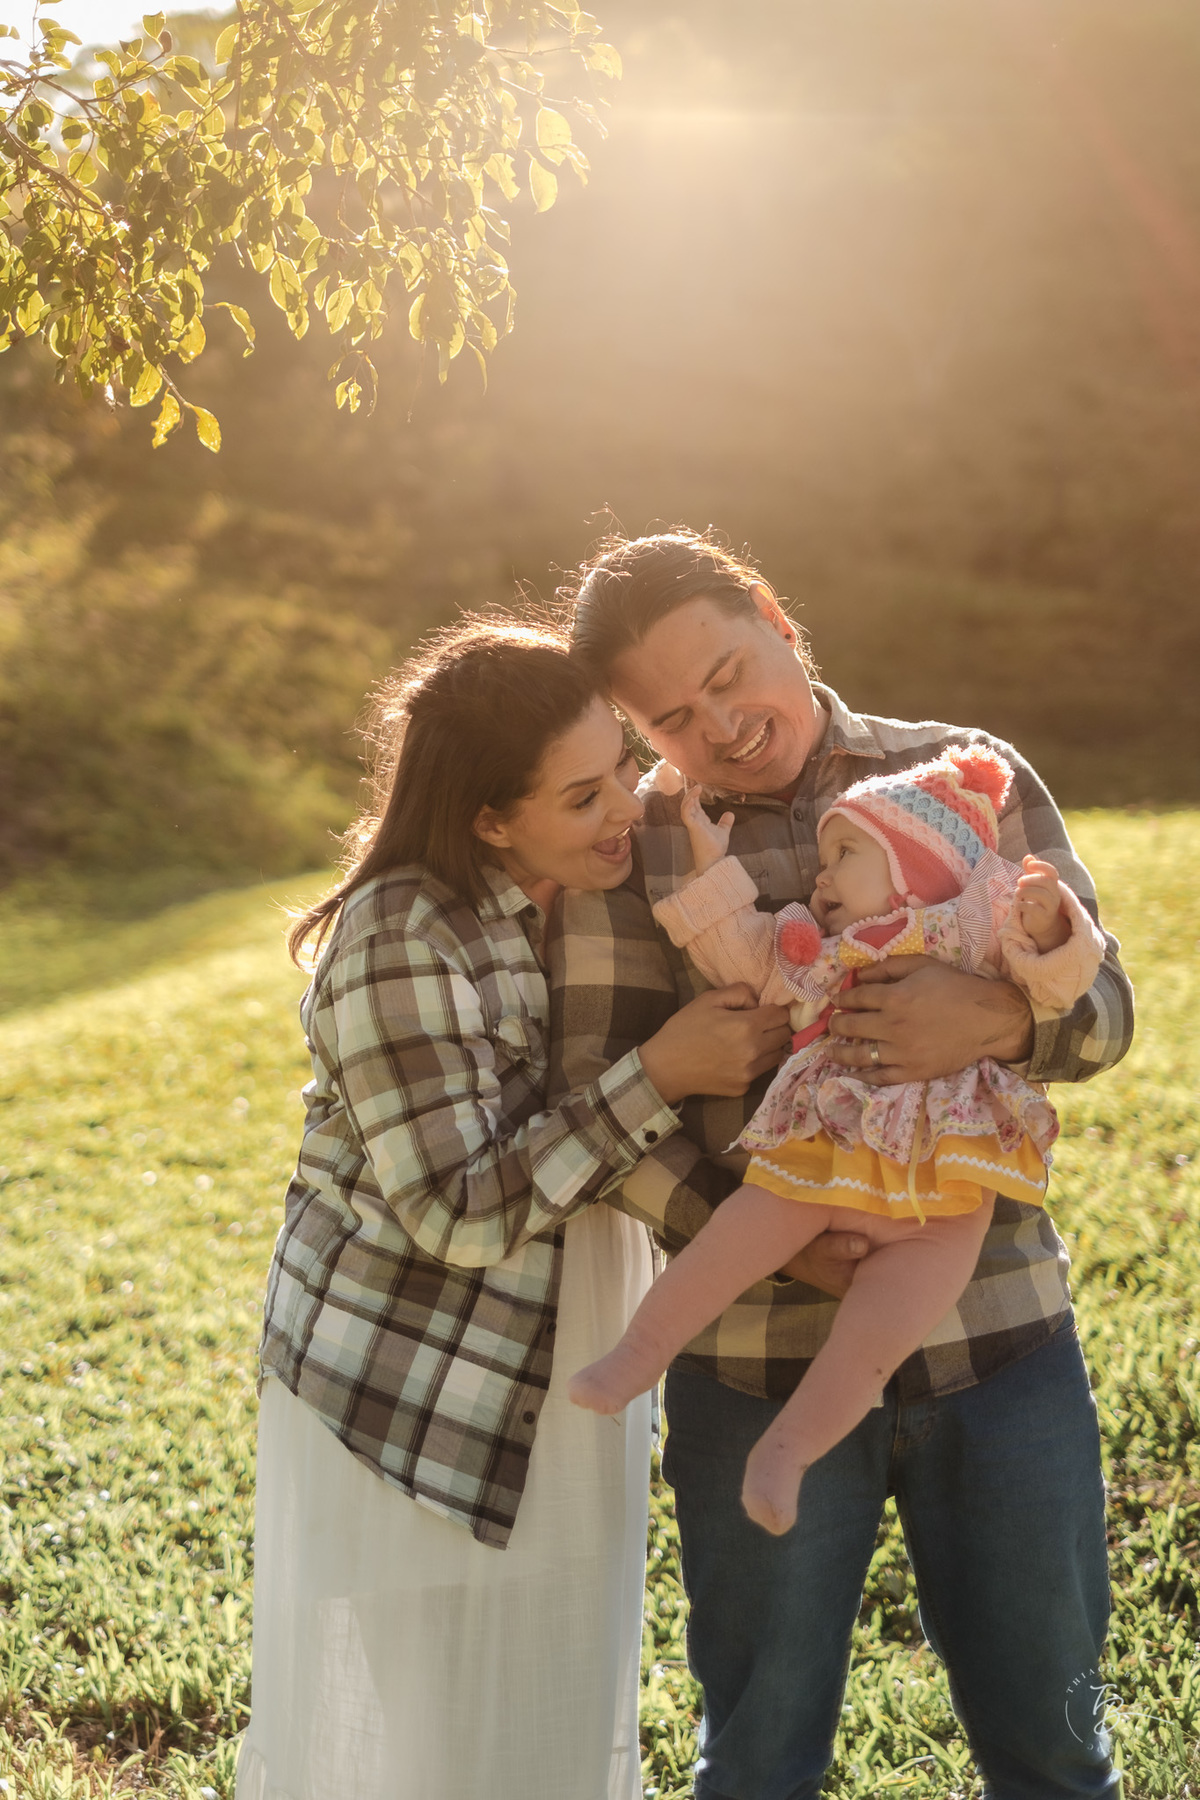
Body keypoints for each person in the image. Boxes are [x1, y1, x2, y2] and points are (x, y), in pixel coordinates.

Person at [549, 531, 1132, 1800]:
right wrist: (777, 1229)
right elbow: (599, 1098)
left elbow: (1104, 1012)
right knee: (758, 1757)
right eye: (673, 718)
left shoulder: (968, 772)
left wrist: (999, 1020)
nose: (720, 726)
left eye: (728, 674)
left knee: (1056, 1744)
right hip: (753, 1363)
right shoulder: (639, 848)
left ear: (773, 615)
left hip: (999, 1340)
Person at [236, 618, 792, 1800]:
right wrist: (662, 1073)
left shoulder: (579, 888)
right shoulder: (402, 937)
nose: (627, 807)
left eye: (624, 767)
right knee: (434, 1739)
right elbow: (456, 1212)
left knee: (545, 1709)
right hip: (413, 1383)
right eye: (584, 796)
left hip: (561, 1355)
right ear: (491, 819)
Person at [569, 743, 1107, 1537]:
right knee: (734, 1237)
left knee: (878, 1336)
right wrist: (712, 868)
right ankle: (635, 1357)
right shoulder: (822, 953)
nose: (821, 879)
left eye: (846, 854)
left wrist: (1050, 925)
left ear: (916, 865)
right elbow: (742, 951)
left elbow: (1066, 983)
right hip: (819, 1157)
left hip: (943, 1199)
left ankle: (788, 1453)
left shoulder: (978, 931)